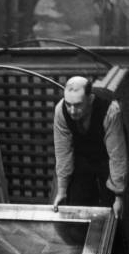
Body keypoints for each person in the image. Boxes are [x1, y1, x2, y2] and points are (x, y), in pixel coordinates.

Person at [52, 75, 127, 218]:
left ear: (90, 99)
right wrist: (62, 190)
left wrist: (119, 196)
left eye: (78, 105)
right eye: (69, 104)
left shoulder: (110, 111)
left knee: (111, 208)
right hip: (83, 155)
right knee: (76, 202)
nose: (72, 111)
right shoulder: (60, 111)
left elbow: (117, 156)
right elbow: (63, 153)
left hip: (107, 156)